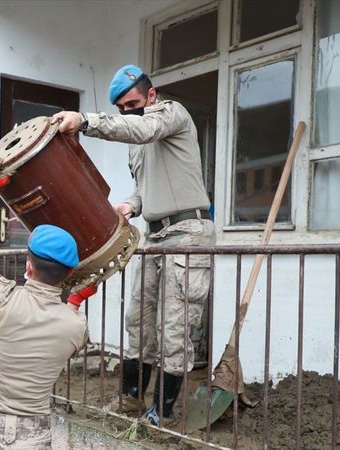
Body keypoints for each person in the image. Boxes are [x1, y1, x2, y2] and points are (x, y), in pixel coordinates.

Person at [53, 64, 215, 426]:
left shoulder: (171, 114)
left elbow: (143, 128)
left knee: (176, 325)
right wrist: (131, 205)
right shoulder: (138, 148)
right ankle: (130, 400)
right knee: (138, 318)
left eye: (133, 103)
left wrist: (85, 121)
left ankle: (164, 413)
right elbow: (145, 187)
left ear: (151, 95)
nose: (128, 112)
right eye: (122, 108)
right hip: (155, 233)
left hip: (188, 231)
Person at [0, 160, 95, 449]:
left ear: (28, 265)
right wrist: (74, 300)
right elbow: (67, 329)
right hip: (33, 439)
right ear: (70, 273)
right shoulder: (76, 326)